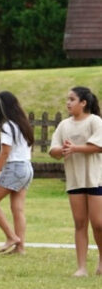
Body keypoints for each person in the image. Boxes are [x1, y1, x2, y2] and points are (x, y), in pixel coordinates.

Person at [49, 86, 102, 276]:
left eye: (72, 99)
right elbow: (53, 150)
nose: (68, 103)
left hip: (95, 179)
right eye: (67, 99)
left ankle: (101, 261)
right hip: (75, 181)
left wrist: (75, 148)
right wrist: (62, 150)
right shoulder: (64, 125)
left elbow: (98, 146)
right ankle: (81, 267)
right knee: (80, 224)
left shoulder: (95, 121)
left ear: (83, 102)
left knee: (98, 224)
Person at [0, 91, 34, 255]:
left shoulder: (7, 126)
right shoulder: (23, 124)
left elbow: (5, 152)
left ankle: (11, 237)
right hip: (27, 167)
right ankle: (20, 248)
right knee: (17, 209)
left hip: (14, 167)